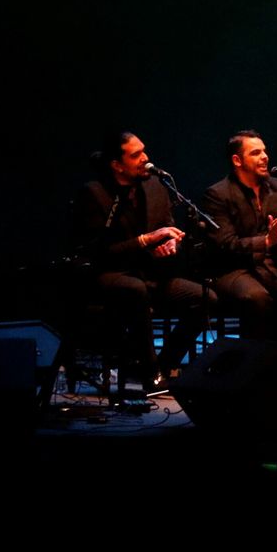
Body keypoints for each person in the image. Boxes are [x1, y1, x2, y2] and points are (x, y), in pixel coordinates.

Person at [71, 131, 215, 390]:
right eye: (136, 155)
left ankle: (162, 364)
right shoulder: (95, 193)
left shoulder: (155, 186)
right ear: (117, 165)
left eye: (144, 151)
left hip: (149, 274)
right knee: (135, 290)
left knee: (205, 298)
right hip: (109, 274)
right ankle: (149, 372)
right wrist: (147, 240)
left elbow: (167, 226)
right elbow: (98, 251)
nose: (145, 158)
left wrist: (171, 242)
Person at [200, 130, 277, 362]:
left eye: (265, 151)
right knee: (256, 297)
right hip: (233, 270)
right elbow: (224, 244)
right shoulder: (217, 194)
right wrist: (265, 241)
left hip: (273, 266)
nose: (265, 156)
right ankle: (256, 367)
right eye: (256, 153)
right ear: (237, 161)